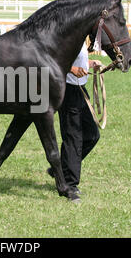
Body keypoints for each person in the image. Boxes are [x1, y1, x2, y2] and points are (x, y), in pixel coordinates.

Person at [48, 45, 102, 203]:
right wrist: (72, 69)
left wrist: (90, 63)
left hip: (80, 90)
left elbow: (77, 59)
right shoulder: (69, 34)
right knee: (73, 138)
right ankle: (69, 184)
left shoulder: (82, 39)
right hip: (68, 91)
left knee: (92, 135)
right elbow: (53, 60)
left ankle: (59, 170)